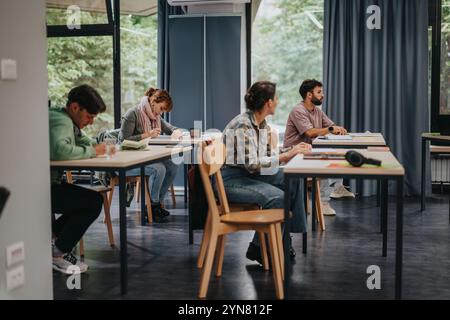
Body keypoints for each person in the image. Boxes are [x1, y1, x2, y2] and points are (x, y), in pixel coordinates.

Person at [221, 81, 311, 265]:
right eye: (276, 98)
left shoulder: (260, 123)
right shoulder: (243, 126)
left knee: (293, 179)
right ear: (268, 102)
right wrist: (287, 156)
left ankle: (278, 241)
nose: (277, 101)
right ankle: (264, 247)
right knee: (278, 197)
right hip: (231, 179)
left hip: (247, 175)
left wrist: (293, 149)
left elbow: (266, 156)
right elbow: (252, 164)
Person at [49, 84, 108, 274]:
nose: (91, 122)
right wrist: (92, 151)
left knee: (89, 201)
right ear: (75, 107)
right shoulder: (62, 121)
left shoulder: (66, 120)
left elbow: (84, 140)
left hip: (47, 183)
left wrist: (96, 147)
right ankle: (56, 253)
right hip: (41, 188)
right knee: (92, 203)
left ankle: (47, 243)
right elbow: (60, 151)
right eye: (89, 116)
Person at [283, 79, 355, 216]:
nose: (322, 95)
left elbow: (330, 126)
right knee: (325, 160)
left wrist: (338, 129)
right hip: (293, 152)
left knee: (336, 153)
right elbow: (310, 132)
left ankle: (336, 189)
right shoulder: (298, 110)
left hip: (307, 150)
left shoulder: (317, 111)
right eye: (319, 92)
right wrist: (331, 129)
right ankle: (323, 202)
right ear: (309, 95)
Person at [119, 88, 182, 223]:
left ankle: (157, 203)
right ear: (153, 101)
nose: (161, 112)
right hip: (129, 161)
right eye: (161, 108)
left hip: (145, 157)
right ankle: (152, 207)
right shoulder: (133, 114)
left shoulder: (155, 116)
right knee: (159, 168)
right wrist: (147, 134)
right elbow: (123, 141)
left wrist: (176, 131)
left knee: (173, 165)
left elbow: (170, 128)